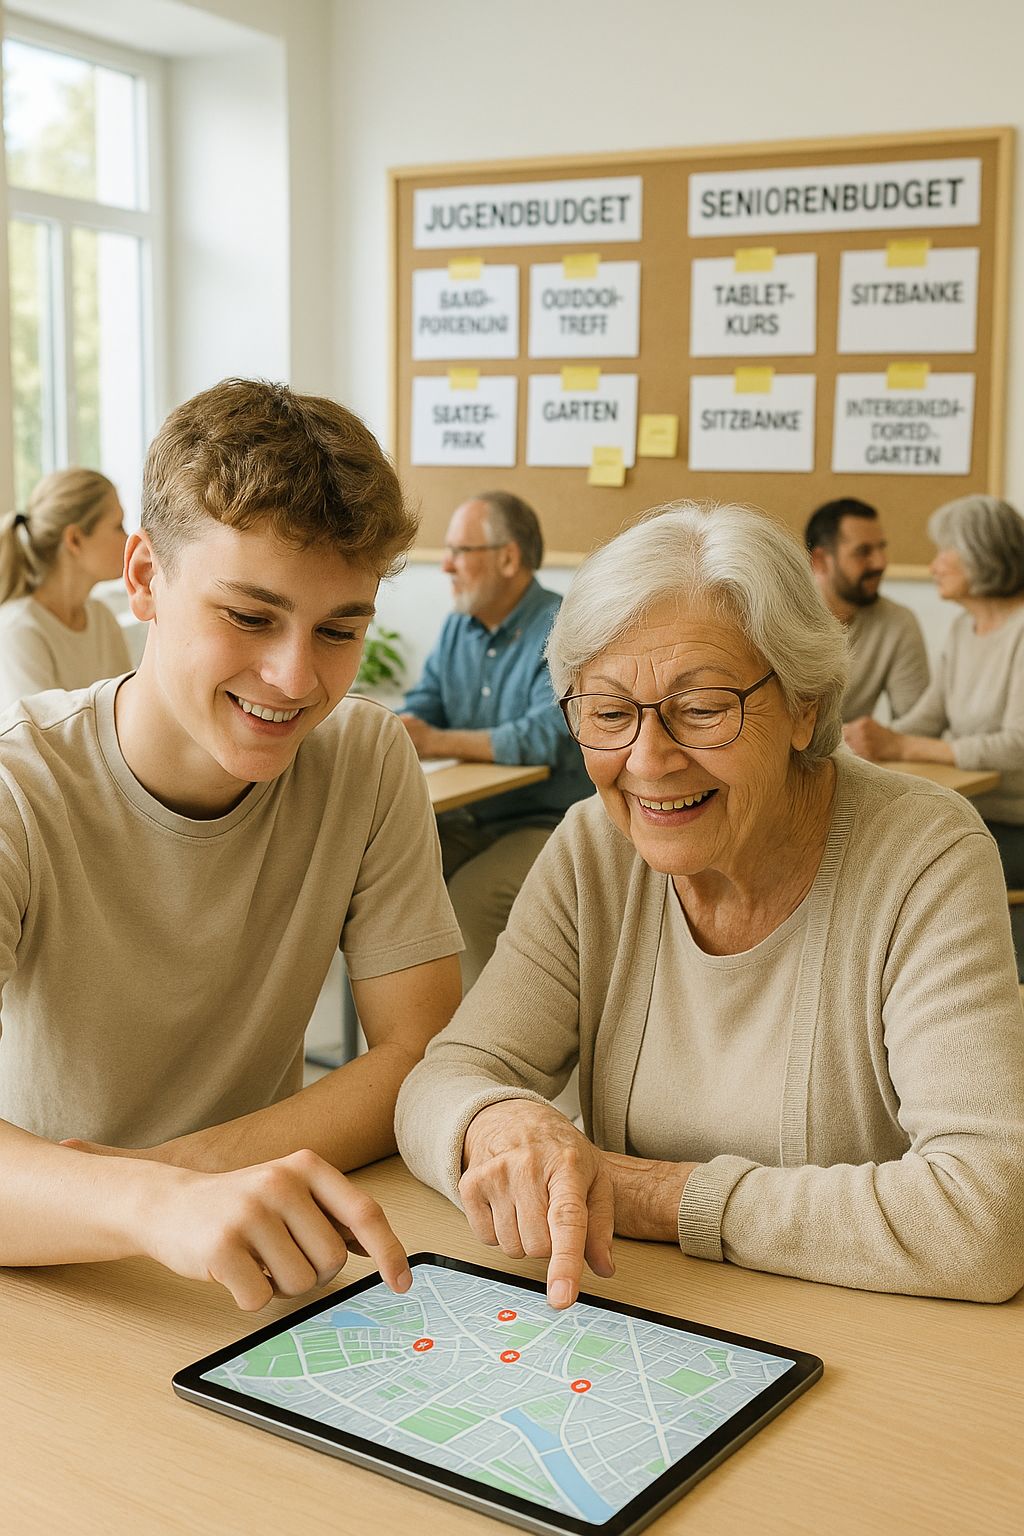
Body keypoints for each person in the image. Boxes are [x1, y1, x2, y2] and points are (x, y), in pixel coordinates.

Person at [396, 502, 1024, 1309]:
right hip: (655, 1329)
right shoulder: (595, 848)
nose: (648, 761)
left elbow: (986, 1216)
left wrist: (644, 1193)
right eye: (610, 713)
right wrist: (501, 1128)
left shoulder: (925, 855)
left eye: (702, 708)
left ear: (803, 705)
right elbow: (441, 1081)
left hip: (872, 1345)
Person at [0, 378, 463, 1311]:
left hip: (259, 1260)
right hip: (58, 1280)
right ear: (142, 580)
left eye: (340, 629)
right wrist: (154, 1202)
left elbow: (423, 1056)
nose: (297, 678)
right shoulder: (21, 789)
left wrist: (190, 1175)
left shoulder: (366, 758)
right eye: (249, 617)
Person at [400, 491, 593, 988]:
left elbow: (548, 736)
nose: (445, 566)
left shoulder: (563, 628)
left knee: (472, 900)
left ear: (508, 558)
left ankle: (489, 1051)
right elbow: (424, 705)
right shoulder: (456, 628)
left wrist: (437, 741)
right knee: (387, 878)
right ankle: (411, 1043)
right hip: (468, 814)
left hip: (545, 820)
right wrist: (399, 727)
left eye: (460, 551)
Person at [844, 494, 1024, 978]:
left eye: (947, 551)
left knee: (902, 864)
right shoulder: (966, 630)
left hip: (1014, 822)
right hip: (978, 810)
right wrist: (859, 743)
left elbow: (1016, 744)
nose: (934, 564)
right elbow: (925, 718)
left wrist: (904, 747)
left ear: (983, 555)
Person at [0, 468, 131, 709]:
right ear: (75, 539)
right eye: (118, 526)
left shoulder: (102, 617)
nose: (128, 538)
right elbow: (38, 743)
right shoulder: (18, 631)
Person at [805, 496, 928, 722]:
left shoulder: (898, 622)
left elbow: (918, 723)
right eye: (863, 552)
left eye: (881, 548)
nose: (880, 562)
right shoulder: (781, 618)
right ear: (820, 560)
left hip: (852, 756)